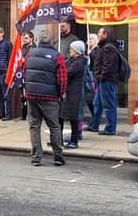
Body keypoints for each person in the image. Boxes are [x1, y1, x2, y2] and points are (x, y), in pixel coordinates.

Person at [23, 29, 67, 167]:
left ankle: (36, 157)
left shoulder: (30, 53)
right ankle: (58, 156)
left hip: (31, 95)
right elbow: (62, 78)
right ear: (51, 41)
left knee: (34, 126)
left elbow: (25, 72)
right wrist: (61, 93)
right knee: (54, 126)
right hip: (50, 96)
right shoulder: (57, 56)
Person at [87, 26, 119, 136]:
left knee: (109, 105)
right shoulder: (104, 46)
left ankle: (110, 129)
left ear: (106, 34)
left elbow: (108, 65)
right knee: (97, 103)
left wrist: (100, 76)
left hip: (107, 80)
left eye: (100, 32)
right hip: (102, 80)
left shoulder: (108, 47)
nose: (98, 34)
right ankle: (94, 125)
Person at [61, 41, 87, 149]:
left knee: (73, 117)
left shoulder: (79, 63)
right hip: (69, 92)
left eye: (72, 49)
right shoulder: (72, 60)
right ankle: (59, 140)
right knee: (61, 116)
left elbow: (67, 73)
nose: (70, 50)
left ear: (77, 51)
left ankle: (74, 140)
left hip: (74, 92)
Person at [18, 31, 36, 120]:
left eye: (26, 38)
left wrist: (25, 60)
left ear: (31, 38)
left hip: (31, 74)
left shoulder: (35, 48)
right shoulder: (22, 48)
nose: (24, 40)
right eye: (23, 38)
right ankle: (23, 115)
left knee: (31, 96)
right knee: (22, 95)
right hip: (22, 73)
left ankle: (32, 115)